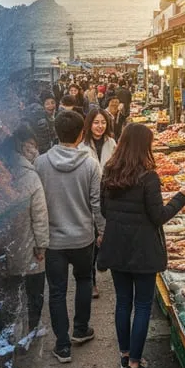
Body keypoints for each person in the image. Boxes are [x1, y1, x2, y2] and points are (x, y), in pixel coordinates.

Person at [97, 123, 185, 368]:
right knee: (142, 305)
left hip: (116, 247)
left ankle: (125, 356)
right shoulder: (148, 176)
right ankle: (135, 367)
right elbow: (159, 216)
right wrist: (181, 197)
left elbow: (104, 211)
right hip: (143, 250)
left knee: (123, 302)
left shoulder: (110, 171)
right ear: (143, 146)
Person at [35, 111, 105, 363]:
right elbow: (97, 203)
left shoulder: (41, 163)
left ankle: (62, 345)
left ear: (56, 133)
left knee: (56, 291)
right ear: (82, 134)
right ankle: (80, 328)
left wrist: (38, 239)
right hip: (83, 237)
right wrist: (102, 231)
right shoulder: (90, 164)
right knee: (84, 280)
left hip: (54, 240)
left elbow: (37, 204)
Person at [0, 125, 49, 336]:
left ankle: (12, 330)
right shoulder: (31, 177)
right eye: (31, 146)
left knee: (12, 291)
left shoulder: (1, 171)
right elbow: (40, 215)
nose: (35, 150)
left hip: (7, 245)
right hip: (29, 243)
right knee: (34, 290)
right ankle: (33, 330)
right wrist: (42, 245)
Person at [79, 108, 118, 300]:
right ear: (89, 124)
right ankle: (91, 280)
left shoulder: (112, 143)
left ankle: (105, 265)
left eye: (103, 122)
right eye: (96, 122)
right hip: (88, 197)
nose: (100, 126)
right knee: (92, 241)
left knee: (106, 236)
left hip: (110, 196)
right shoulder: (82, 146)